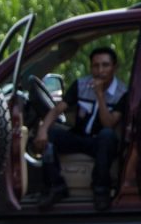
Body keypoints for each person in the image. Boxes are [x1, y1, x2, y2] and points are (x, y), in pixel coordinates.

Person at [35, 47, 128, 211]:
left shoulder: (122, 92)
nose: (100, 71)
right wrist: (42, 130)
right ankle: (55, 187)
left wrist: (99, 95)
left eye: (105, 65)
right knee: (50, 134)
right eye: (96, 66)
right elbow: (57, 110)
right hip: (79, 137)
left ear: (114, 67)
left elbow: (109, 124)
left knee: (107, 135)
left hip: (101, 142)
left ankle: (101, 191)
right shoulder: (81, 84)